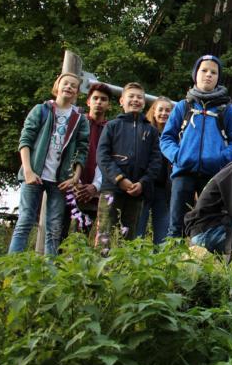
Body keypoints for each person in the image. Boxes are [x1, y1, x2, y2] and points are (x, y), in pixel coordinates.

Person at [161, 54, 232, 238]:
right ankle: (170, 264)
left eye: (213, 72)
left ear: (218, 78)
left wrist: (219, 159)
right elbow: (166, 138)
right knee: (176, 226)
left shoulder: (226, 109)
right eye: (204, 70)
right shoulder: (184, 106)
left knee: (210, 224)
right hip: (183, 173)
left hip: (213, 176)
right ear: (195, 74)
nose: (208, 75)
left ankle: (205, 264)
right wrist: (178, 156)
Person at [9, 72, 90, 256]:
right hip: (35, 174)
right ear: (57, 86)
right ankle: (11, 267)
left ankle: (49, 272)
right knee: (25, 221)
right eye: (65, 83)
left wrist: (75, 178)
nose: (69, 87)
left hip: (59, 180)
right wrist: (28, 170)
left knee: (54, 227)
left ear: (77, 92)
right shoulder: (41, 110)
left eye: (73, 85)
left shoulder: (79, 119)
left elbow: (83, 150)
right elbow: (25, 140)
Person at [94, 83, 163, 249]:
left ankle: (124, 270)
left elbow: (156, 162)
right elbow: (102, 156)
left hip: (137, 192)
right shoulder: (112, 126)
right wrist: (119, 179)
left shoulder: (151, 131)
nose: (135, 100)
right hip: (112, 189)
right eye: (131, 96)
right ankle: (100, 271)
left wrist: (143, 183)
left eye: (139, 97)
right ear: (121, 100)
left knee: (130, 238)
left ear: (144, 102)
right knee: (105, 233)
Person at [67, 83, 112, 238]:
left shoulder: (111, 129)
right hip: (69, 187)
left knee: (81, 237)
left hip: (93, 192)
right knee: (60, 234)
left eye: (103, 99)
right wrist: (74, 181)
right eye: (95, 98)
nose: (99, 102)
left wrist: (95, 187)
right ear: (88, 101)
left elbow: (109, 161)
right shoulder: (76, 122)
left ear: (109, 105)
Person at [136, 96, 175, 244]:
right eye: (161, 109)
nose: (164, 113)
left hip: (164, 189)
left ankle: (160, 262)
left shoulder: (176, 136)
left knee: (163, 232)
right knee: (138, 229)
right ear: (153, 111)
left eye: (168, 110)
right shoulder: (144, 132)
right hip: (145, 186)